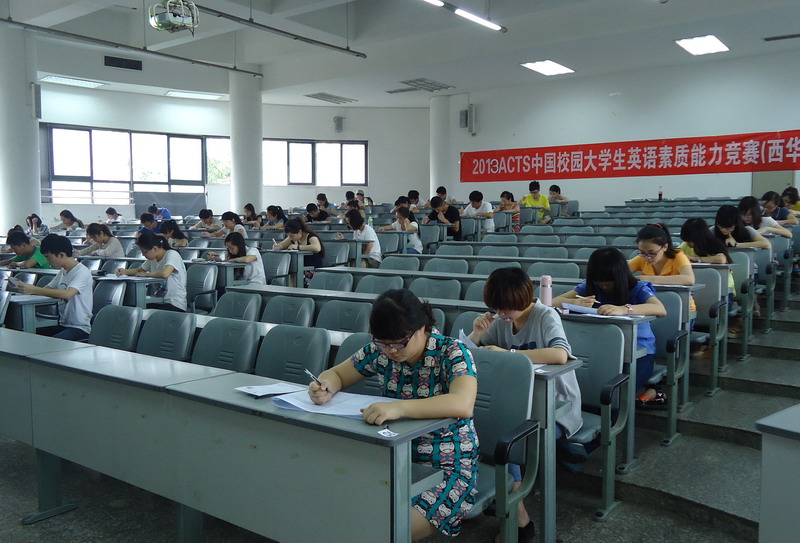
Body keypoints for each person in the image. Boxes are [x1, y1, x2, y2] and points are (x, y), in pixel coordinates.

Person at [308, 289, 479, 541]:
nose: (390, 351)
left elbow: (463, 403)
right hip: (390, 459)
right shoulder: (380, 351)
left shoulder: (452, 352)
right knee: (336, 511)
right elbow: (337, 374)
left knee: (382, 532)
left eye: (398, 343)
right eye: (383, 343)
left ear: (420, 328)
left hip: (447, 468)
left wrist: (399, 407)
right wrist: (324, 386)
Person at [468, 267, 583, 541]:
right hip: (518, 407)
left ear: (522, 298)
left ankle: (516, 514)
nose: (501, 314)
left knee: (505, 438)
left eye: (506, 308)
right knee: (483, 430)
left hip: (555, 408)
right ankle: (516, 509)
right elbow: (470, 353)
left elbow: (560, 354)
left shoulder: (545, 315)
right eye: (496, 308)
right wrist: (476, 334)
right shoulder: (502, 320)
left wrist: (508, 354)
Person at [552, 247, 667, 408]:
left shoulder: (638, 288)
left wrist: (624, 309)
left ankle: (620, 415)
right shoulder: (590, 287)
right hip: (600, 352)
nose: (604, 287)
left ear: (620, 276)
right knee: (585, 390)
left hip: (637, 354)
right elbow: (553, 302)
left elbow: (660, 309)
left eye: (609, 283)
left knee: (612, 395)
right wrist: (575, 302)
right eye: (600, 283)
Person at [14, 234, 93, 340]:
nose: (47, 261)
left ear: (61, 255)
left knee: (49, 343)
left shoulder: (82, 272)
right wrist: (24, 287)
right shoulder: (63, 271)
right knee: (28, 335)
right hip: (61, 324)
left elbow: (68, 294)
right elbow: (47, 289)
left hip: (79, 328)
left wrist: (33, 289)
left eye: (48, 257)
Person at [677, 218, 736, 348]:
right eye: (686, 240)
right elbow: (675, 254)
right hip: (696, 293)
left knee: (706, 311)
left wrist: (697, 259)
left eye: (690, 240)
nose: (688, 244)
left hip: (722, 295)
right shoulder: (685, 246)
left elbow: (721, 259)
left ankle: (709, 346)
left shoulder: (714, 244)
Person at [116, 232, 187, 312]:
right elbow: (138, 270)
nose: (143, 255)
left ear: (154, 248)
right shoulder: (153, 259)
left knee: (144, 314)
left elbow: (165, 273)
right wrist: (124, 271)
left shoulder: (172, 254)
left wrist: (146, 274)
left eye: (144, 252)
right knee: (135, 310)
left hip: (175, 304)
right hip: (159, 302)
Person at [272, 219, 324, 287]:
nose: (290, 238)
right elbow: (282, 245)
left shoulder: (311, 236)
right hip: (299, 268)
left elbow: (317, 248)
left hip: (312, 269)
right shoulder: (292, 238)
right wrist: (277, 247)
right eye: (289, 236)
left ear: (299, 232)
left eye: (292, 236)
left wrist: (298, 247)